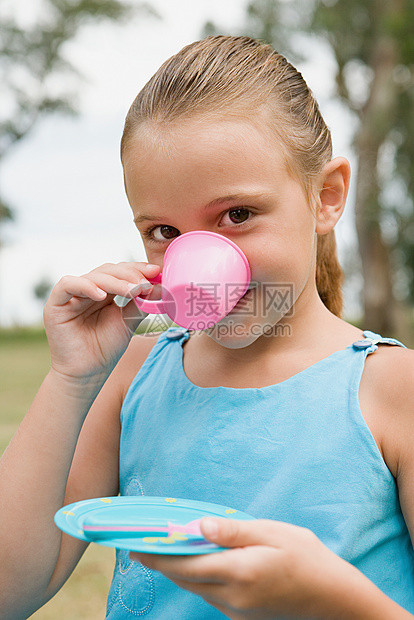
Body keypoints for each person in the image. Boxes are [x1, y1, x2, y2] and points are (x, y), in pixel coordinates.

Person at [1, 35, 414, 620]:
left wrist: (327, 597)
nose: (200, 264)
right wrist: (71, 379)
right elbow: (9, 590)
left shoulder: (396, 391)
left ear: (325, 196)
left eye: (237, 216)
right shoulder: (130, 380)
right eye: (165, 233)